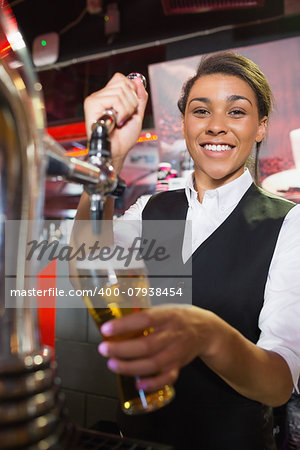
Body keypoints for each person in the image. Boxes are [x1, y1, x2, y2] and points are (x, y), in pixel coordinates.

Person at [76, 52, 300, 450]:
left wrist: (209, 335)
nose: (216, 125)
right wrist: (108, 156)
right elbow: (86, 259)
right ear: (183, 123)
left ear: (261, 126)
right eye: (201, 110)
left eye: (236, 112)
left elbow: (278, 384)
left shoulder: (287, 224)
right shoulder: (153, 210)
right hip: (140, 439)